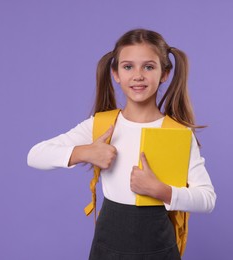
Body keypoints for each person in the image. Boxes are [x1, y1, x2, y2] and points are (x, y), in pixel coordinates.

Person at [27, 28, 216, 259]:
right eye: (128, 67)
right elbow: (35, 155)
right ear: (116, 73)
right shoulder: (102, 125)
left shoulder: (177, 134)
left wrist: (161, 191)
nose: (138, 75)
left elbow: (207, 199)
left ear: (165, 73)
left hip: (157, 246)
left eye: (148, 66)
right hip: (109, 242)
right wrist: (86, 152)